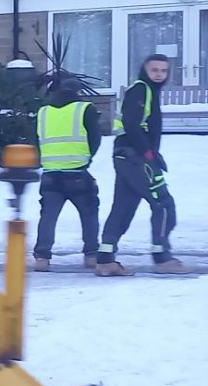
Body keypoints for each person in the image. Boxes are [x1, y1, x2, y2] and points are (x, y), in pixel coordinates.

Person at [94, 54, 192, 275]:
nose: (159, 74)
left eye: (164, 71)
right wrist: (147, 152)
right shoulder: (141, 89)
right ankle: (162, 257)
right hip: (135, 156)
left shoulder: (148, 91)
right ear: (145, 70)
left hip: (126, 156)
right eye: (154, 70)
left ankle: (105, 260)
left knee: (123, 208)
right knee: (164, 203)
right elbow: (131, 122)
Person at [33, 77, 102, 271]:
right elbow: (95, 138)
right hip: (78, 172)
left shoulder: (43, 112)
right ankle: (91, 255)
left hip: (50, 173)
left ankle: (42, 258)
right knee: (89, 214)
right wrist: (86, 158)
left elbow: (35, 138)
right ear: (78, 91)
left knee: (48, 217)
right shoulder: (84, 109)